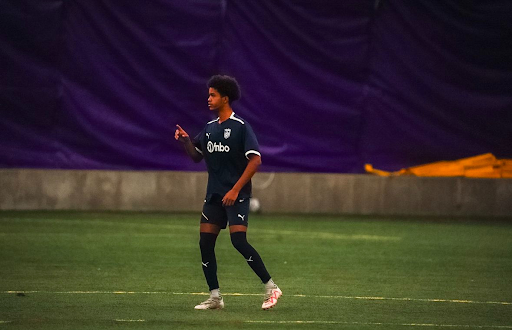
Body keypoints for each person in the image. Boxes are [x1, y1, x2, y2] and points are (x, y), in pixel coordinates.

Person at [175, 75, 282, 310]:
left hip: (237, 195)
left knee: (238, 240)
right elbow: (196, 156)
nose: (208, 98)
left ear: (225, 98)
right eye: (209, 94)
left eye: (213, 95)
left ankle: (271, 287)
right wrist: (185, 141)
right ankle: (215, 297)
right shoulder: (210, 128)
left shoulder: (241, 127)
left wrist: (235, 190)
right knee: (205, 243)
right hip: (214, 195)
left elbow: (255, 161)